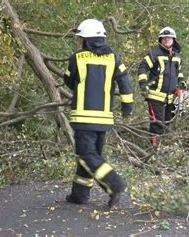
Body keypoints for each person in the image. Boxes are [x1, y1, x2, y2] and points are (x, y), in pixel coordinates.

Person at [63, 19, 133, 208]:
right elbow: (126, 83)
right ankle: (80, 195)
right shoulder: (114, 59)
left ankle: (114, 184)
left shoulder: (77, 58)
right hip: (104, 119)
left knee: (87, 156)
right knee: (90, 156)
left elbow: (68, 81)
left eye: (80, 38)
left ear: (85, 39)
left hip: (83, 117)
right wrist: (128, 107)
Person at [137, 26, 187, 145]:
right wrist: (143, 84)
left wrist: (181, 84)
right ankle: (153, 150)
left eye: (169, 38)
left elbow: (179, 73)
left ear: (173, 40)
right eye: (164, 38)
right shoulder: (154, 54)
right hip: (155, 96)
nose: (166, 40)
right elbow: (142, 68)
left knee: (167, 124)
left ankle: (163, 149)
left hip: (170, 97)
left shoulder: (177, 57)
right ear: (160, 40)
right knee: (157, 124)